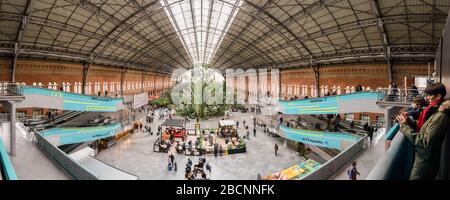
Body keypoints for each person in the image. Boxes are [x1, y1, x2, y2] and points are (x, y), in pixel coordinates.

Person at [396, 100, 450, 180]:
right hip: (425, 159)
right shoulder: (438, 114)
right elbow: (423, 128)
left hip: (424, 161)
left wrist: (404, 126)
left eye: (430, 95)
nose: (427, 98)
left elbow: (424, 142)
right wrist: (408, 121)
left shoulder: (441, 117)